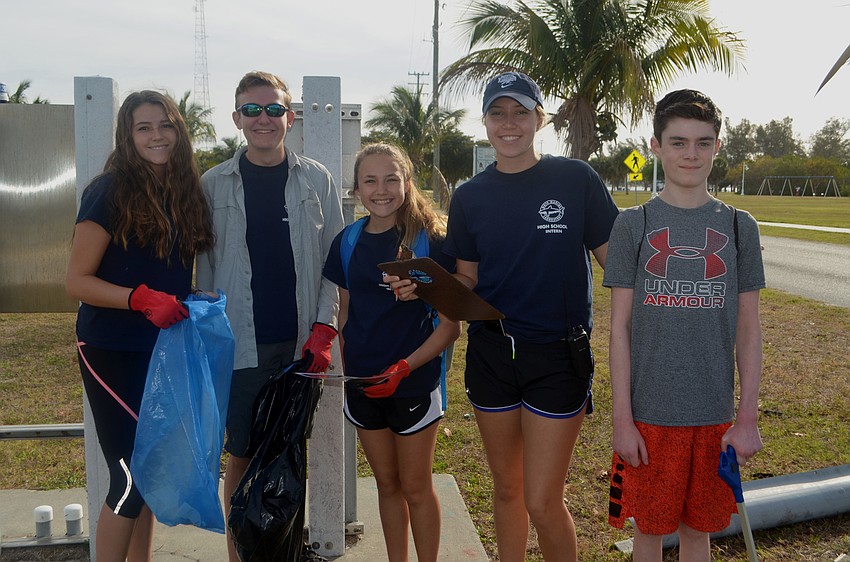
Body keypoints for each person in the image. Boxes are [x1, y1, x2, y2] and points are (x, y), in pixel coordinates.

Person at [406, 71, 619, 561]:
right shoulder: (470, 196)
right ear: (484, 123)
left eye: (520, 112)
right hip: (492, 355)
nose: (509, 123)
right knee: (507, 491)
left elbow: (619, 267)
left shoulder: (574, 180)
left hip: (557, 354)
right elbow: (467, 279)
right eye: (498, 113)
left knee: (542, 502)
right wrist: (422, 286)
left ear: (539, 118)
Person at [604, 89, 765, 562]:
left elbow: (749, 329)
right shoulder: (635, 224)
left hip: (714, 418)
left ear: (718, 147)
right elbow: (619, 330)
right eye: (678, 142)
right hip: (650, 417)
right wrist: (622, 420)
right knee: (649, 533)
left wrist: (747, 416)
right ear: (655, 146)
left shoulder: (739, 226)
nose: (690, 154)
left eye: (702, 142)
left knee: (699, 534)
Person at [194, 70, 344, 562]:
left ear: (290, 117)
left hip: (300, 344)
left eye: (274, 110)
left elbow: (333, 263)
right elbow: (203, 269)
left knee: (289, 451)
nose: (264, 119)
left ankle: (281, 551)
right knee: (240, 454)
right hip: (239, 345)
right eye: (253, 110)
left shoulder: (317, 179)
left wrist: (325, 328)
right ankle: (240, 556)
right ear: (237, 118)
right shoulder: (211, 184)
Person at [66, 90, 214, 562]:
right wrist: (139, 299)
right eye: (143, 128)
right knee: (129, 476)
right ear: (127, 137)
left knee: (149, 471)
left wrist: (190, 299)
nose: (157, 136)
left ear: (179, 130)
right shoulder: (107, 190)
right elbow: (77, 281)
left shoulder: (183, 190)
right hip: (110, 348)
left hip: (161, 347)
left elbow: (163, 270)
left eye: (165, 125)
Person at [322, 143, 461, 562]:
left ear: (406, 182)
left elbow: (451, 328)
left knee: (416, 488)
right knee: (386, 485)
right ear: (357, 189)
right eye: (370, 180)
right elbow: (345, 314)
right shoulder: (347, 242)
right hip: (365, 386)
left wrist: (403, 367)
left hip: (413, 381)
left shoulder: (431, 241)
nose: (381, 190)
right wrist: (351, 369)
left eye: (391, 179)